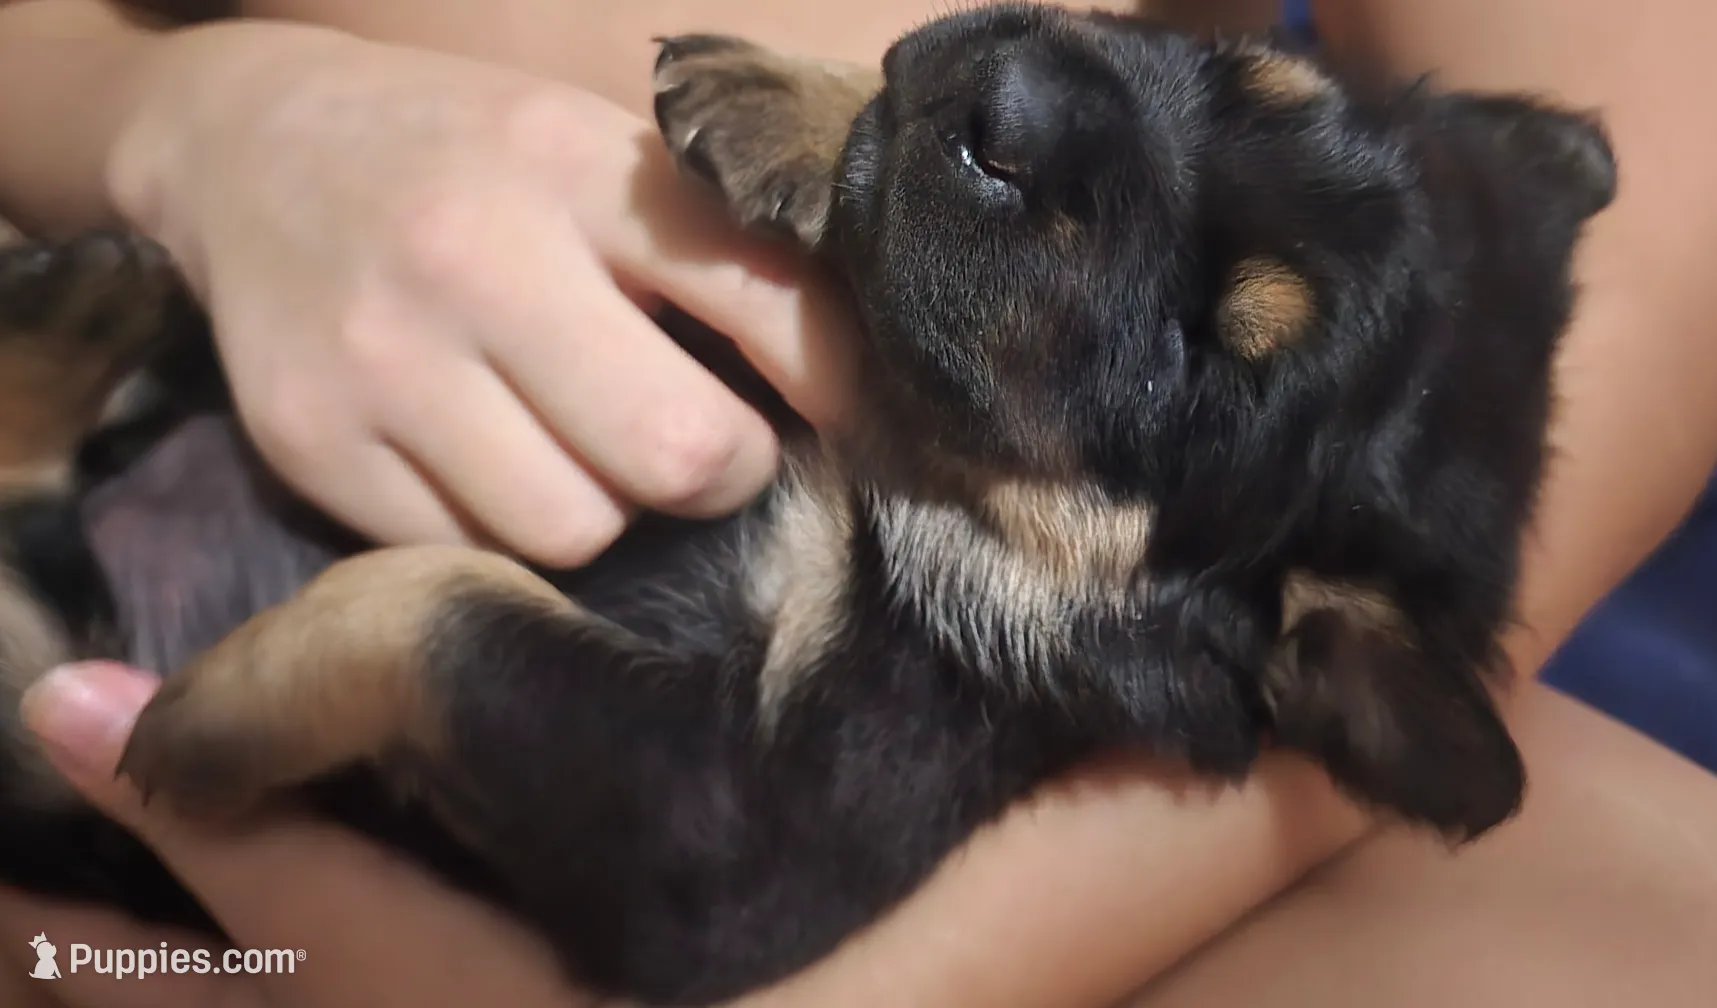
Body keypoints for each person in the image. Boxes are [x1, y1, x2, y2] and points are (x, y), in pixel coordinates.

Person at [2, 1, 1717, 1006]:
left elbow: (1677, 229)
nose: (1037, 86)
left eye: (1205, 348)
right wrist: (174, 113)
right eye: (1232, 85)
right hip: (145, 294)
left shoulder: (983, 670)